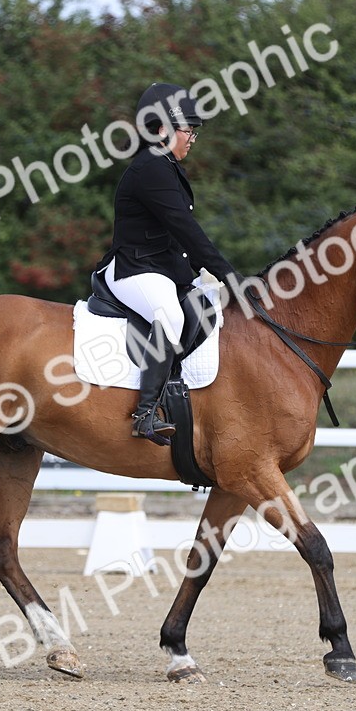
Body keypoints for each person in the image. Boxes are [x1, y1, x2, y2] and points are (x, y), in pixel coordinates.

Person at [95, 82, 240, 444]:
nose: (193, 137)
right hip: (133, 269)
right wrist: (229, 276)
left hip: (157, 268)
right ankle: (145, 413)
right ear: (162, 128)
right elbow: (186, 229)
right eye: (188, 129)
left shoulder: (167, 167)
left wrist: (201, 278)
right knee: (171, 316)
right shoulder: (151, 169)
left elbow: (176, 240)